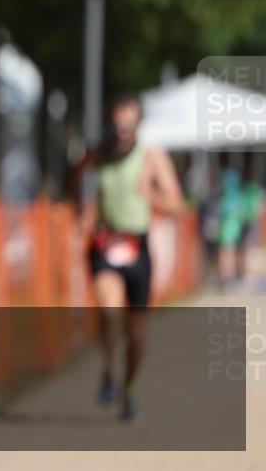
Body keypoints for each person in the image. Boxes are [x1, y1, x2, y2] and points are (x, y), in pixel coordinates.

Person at [71, 93, 183, 420]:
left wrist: (154, 195)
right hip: (105, 242)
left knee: (136, 333)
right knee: (108, 313)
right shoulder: (98, 154)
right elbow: (74, 177)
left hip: (138, 248)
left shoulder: (152, 157)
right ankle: (108, 369)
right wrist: (81, 208)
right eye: (117, 127)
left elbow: (177, 204)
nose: (122, 133)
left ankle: (129, 386)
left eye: (129, 127)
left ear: (138, 126)